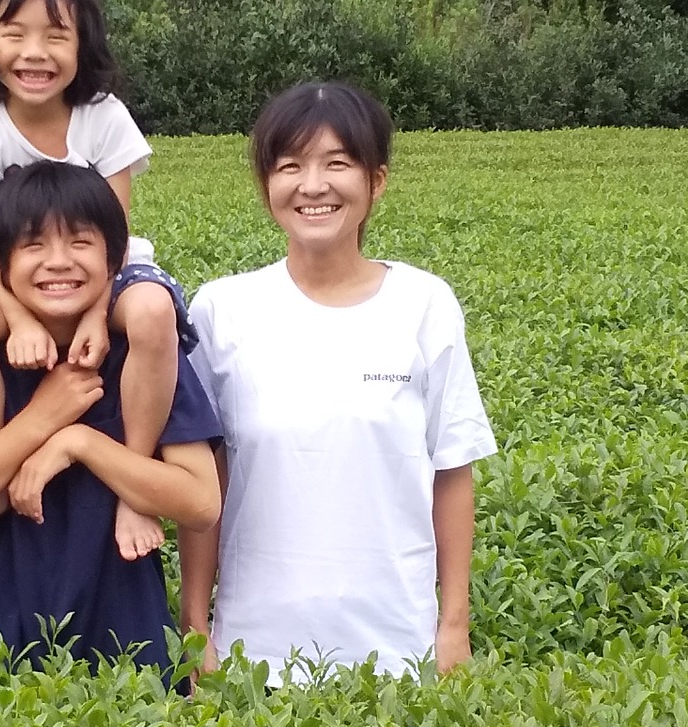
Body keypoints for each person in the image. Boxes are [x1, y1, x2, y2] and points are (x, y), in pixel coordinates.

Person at [178, 82, 498, 684]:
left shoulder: (424, 304)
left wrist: (453, 625)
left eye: (337, 164)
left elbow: (452, 470)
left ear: (377, 181)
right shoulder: (223, 310)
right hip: (254, 652)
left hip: (398, 650)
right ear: (266, 185)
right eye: (290, 166)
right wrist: (197, 625)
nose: (313, 185)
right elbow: (204, 481)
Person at [0, 161, 222, 679]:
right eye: (32, 246)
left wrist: (78, 442)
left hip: (127, 626)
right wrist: (38, 420)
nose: (58, 263)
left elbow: (201, 502)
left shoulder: (143, 353)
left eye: (80, 243)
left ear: (115, 258)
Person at [0, 0, 191, 565]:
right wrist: (18, 318)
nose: (35, 52)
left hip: (110, 269)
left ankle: (136, 485)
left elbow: (117, 235)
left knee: (152, 313)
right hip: (11, 273)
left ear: (84, 45)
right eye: (15, 33)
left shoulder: (104, 118)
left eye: (56, 35)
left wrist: (99, 315)